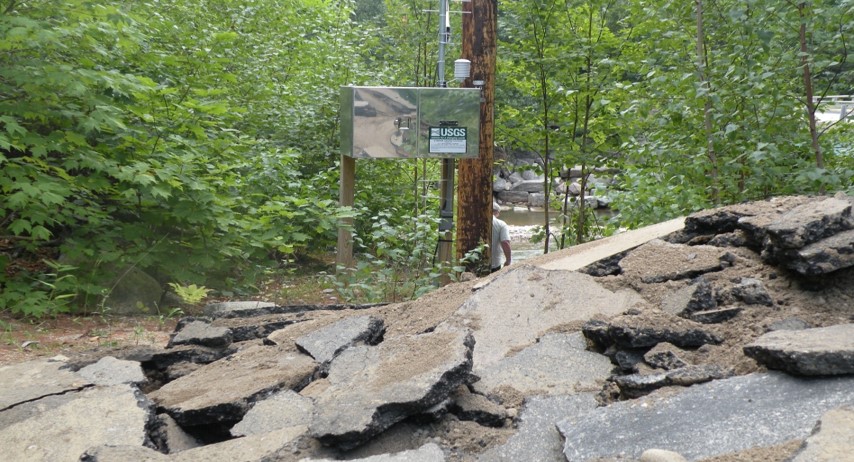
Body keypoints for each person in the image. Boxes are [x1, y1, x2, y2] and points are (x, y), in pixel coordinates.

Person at [491, 203, 511, 272]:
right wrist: (508, 261)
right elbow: (505, 242)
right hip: (494, 263)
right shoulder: (501, 224)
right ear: (497, 212)